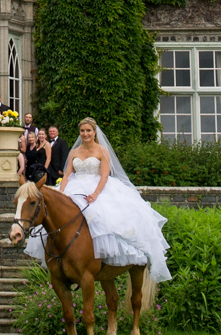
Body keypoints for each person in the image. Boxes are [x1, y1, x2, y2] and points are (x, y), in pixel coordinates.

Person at [25, 117, 171, 283]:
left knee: (101, 217)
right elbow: (66, 175)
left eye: (88, 131)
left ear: (94, 132)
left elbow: (104, 175)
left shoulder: (102, 151)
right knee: (57, 216)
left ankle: (102, 257)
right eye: (82, 131)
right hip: (75, 187)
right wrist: (63, 193)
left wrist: (95, 194)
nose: (85, 134)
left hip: (99, 187)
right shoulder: (74, 152)